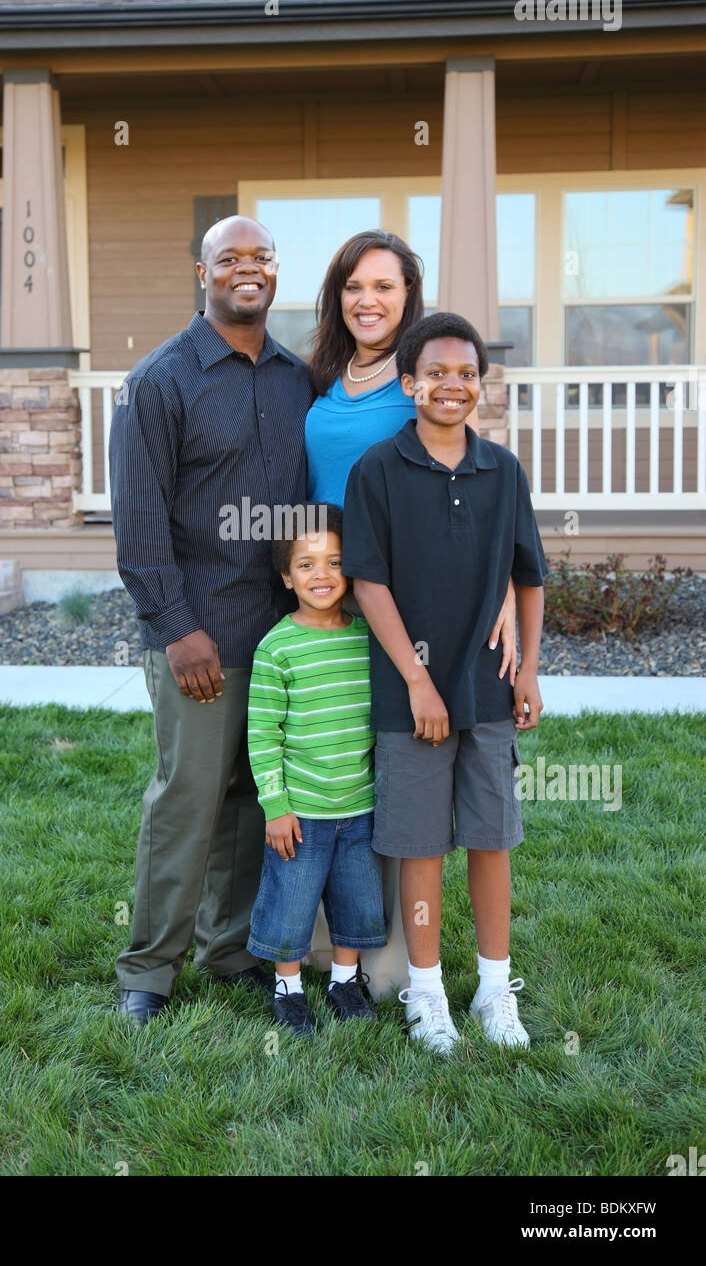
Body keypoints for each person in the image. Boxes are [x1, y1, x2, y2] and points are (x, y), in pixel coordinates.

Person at [108, 215, 315, 1026]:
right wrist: (174, 625)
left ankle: (229, 950)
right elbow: (139, 519)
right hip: (199, 635)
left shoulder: (297, 379)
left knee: (250, 799)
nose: (247, 268)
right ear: (203, 273)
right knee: (186, 801)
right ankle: (148, 972)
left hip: (277, 636)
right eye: (230, 257)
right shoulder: (161, 379)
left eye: (261, 255)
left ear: (275, 269)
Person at [303, 232, 517, 997]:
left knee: (403, 781)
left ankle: (393, 961)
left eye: (385, 287)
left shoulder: (424, 383)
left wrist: (508, 610)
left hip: (407, 616)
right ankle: (329, 948)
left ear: (408, 298)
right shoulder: (321, 380)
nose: (368, 300)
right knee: (334, 779)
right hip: (330, 599)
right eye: (354, 286)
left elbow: (485, 511)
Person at [342, 311, 547, 1052]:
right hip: (411, 699)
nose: (452, 385)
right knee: (422, 844)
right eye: (436, 372)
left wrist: (527, 668)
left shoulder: (503, 470)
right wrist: (419, 683)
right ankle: (426, 994)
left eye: (467, 373)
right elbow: (368, 582)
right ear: (409, 383)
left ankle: (497, 988)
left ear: (480, 387)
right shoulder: (378, 471)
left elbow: (529, 577)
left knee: (492, 839)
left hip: (489, 689)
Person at [245, 503, 386, 1038]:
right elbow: (263, 734)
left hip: (360, 805)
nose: (321, 575)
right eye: (306, 565)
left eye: (333, 562)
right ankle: (289, 987)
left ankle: (344, 981)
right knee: (291, 902)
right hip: (301, 811)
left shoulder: (367, 637)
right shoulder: (277, 647)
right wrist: (276, 806)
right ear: (286, 577)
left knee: (356, 900)